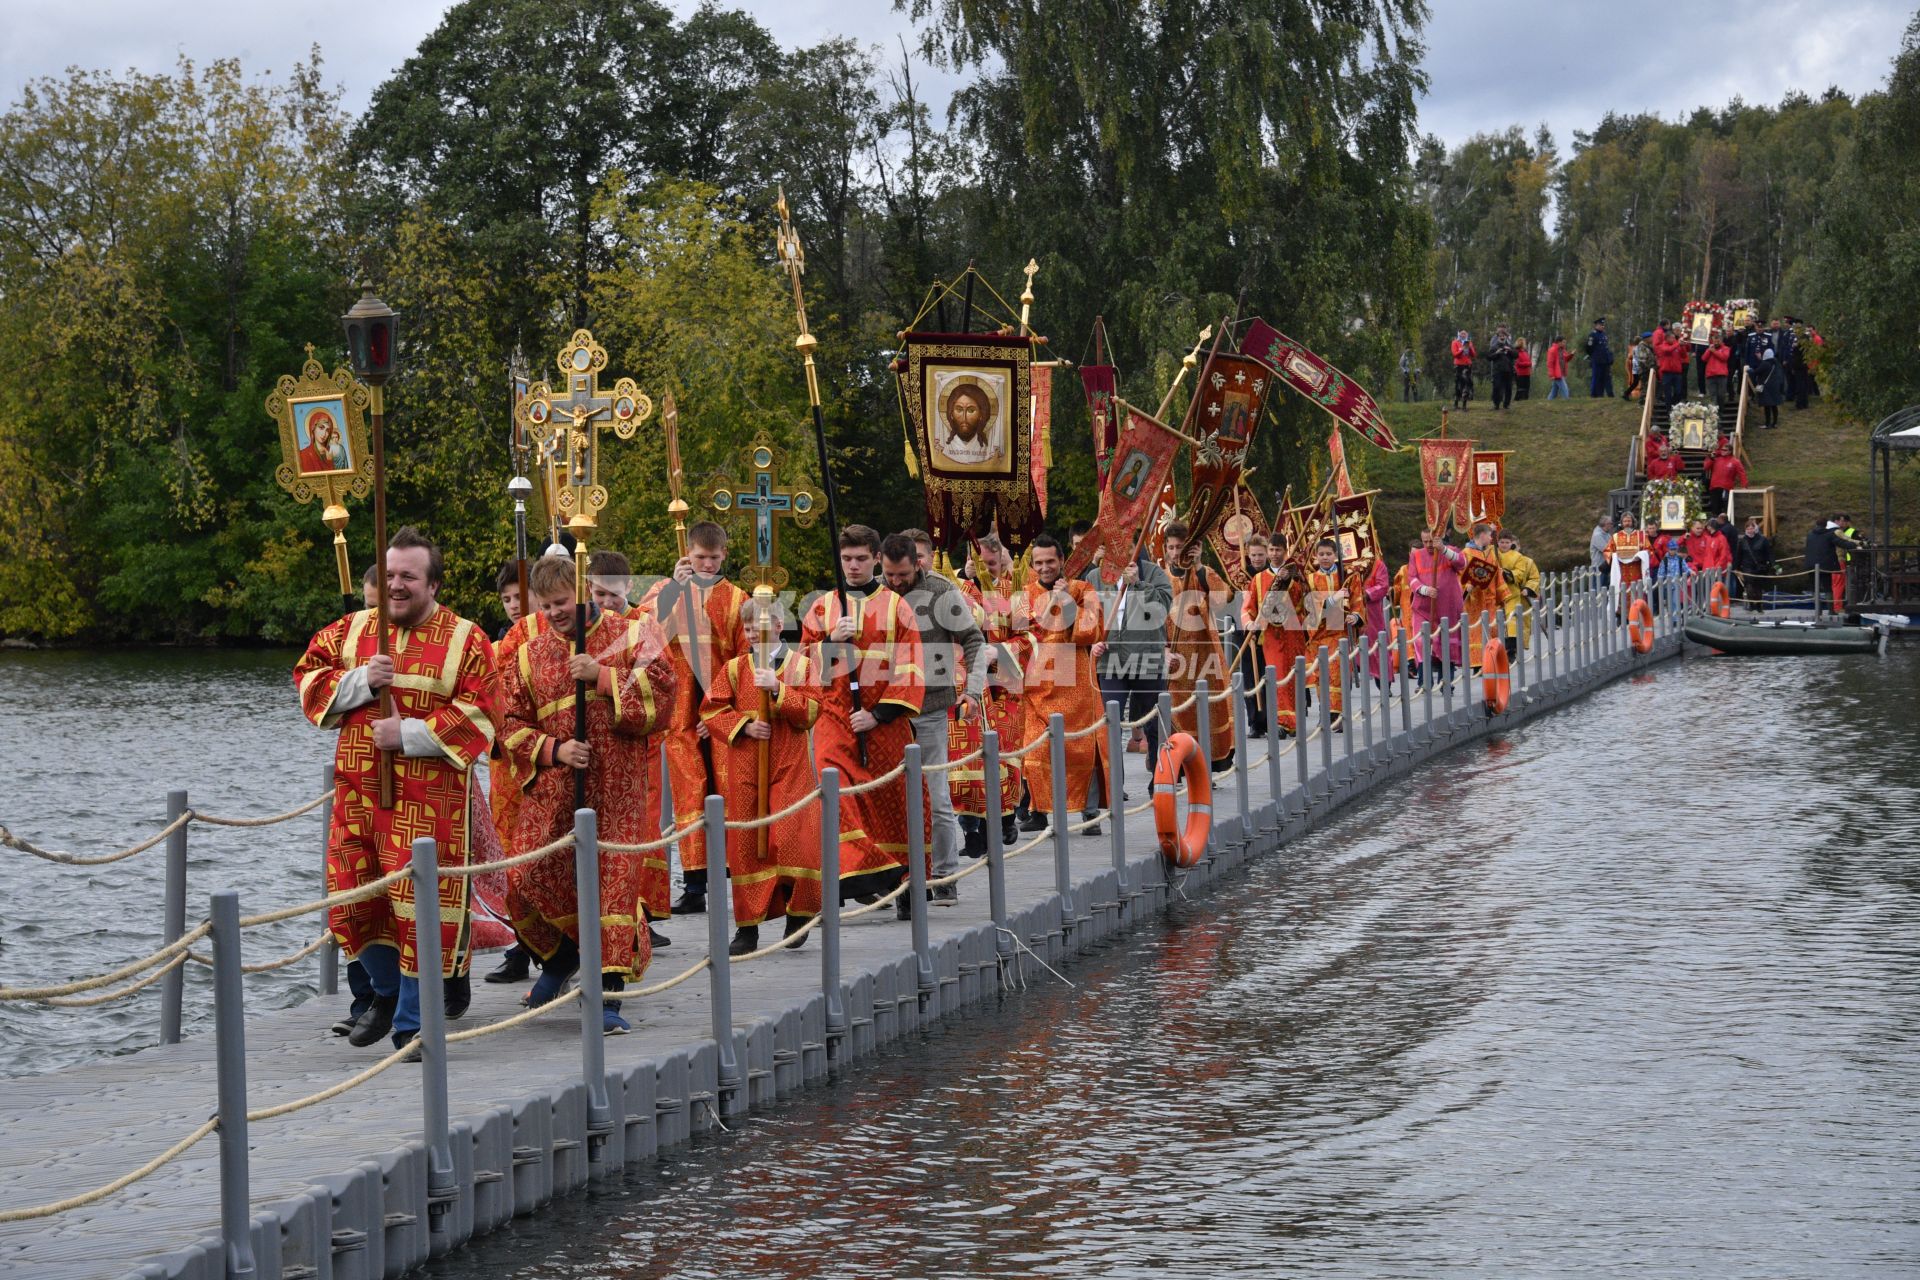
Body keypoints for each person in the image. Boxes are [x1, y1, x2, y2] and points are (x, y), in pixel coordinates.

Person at [294, 527, 497, 1051]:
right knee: (352, 906)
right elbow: (306, 677)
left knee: (418, 913)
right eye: (388, 576)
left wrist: (408, 734)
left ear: (433, 584)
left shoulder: (467, 639)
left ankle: (412, 1022)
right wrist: (361, 679)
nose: (396, 586)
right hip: (358, 796)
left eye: (408, 576)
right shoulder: (353, 629)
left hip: (428, 806)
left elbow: (484, 714)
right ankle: (384, 993)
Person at [497, 556, 674, 1032]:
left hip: (618, 789)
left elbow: (665, 699)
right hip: (555, 788)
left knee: (613, 888)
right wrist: (552, 749)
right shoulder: (528, 653)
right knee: (524, 875)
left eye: (561, 604)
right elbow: (509, 724)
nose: (553, 613)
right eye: (546, 605)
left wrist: (600, 675)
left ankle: (608, 999)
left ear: (582, 592)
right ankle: (563, 956)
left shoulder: (634, 633)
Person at [800, 525, 925, 901]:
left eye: (860, 559)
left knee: (890, 801)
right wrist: (829, 642)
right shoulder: (823, 607)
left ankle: (899, 884)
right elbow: (801, 665)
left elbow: (912, 664)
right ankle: (847, 878)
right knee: (835, 790)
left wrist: (879, 714)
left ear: (875, 558)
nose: (852, 566)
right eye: (846, 559)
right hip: (833, 719)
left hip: (882, 724)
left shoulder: (896, 606)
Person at [636, 521, 749, 917]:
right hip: (679, 711)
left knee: (726, 790)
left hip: (719, 708)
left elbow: (742, 659)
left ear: (724, 557)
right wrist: (673, 590)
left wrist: (722, 711)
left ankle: (734, 872)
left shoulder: (736, 598)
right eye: (699, 557)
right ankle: (695, 881)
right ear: (687, 554)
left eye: (713, 559)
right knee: (688, 794)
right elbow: (645, 636)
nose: (705, 564)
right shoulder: (665, 591)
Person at [700, 596, 823, 954]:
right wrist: (744, 726)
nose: (755, 634)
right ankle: (747, 928)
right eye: (749, 628)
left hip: (788, 763)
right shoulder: (736, 668)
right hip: (745, 766)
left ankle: (798, 914)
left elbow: (812, 710)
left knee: (792, 838)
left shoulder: (800, 666)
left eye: (762, 627)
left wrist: (778, 690)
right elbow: (711, 709)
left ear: (779, 626)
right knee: (746, 843)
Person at [880, 531, 985, 911]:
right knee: (883, 794)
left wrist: (972, 690)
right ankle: (887, 876)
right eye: (889, 574)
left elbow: (973, 639)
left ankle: (944, 875)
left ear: (918, 563)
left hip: (929, 707)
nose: (895, 582)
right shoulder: (873, 593)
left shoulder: (941, 591)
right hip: (884, 713)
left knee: (936, 795)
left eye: (902, 574)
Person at [1015, 533, 1107, 832]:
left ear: (1061, 561)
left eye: (1050, 561)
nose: (1045, 568)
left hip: (1077, 684)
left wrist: (1067, 599)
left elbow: (1091, 632)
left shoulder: (1082, 589)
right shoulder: (1022, 595)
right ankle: (1038, 811)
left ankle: (1090, 813)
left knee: (1082, 748)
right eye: (1039, 563)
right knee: (1036, 749)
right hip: (1036, 685)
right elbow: (1015, 638)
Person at [962, 534, 1025, 852]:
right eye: (979, 563)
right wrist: (965, 581)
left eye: (990, 564)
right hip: (970, 686)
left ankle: (1004, 817)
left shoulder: (1016, 591)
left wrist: (998, 651)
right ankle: (972, 829)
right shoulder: (961, 588)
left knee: (1003, 756)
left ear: (1001, 560)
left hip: (1006, 688)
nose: (985, 569)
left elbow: (1029, 639)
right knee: (967, 758)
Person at [1161, 522, 1235, 767]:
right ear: (1165, 550)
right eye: (1171, 547)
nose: (1175, 552)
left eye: (1180, 547)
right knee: (1176, 711)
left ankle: (1207, 765)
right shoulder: (1160, 579)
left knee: (1207, 710)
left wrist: (1200, 566)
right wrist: (1163, 649)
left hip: (1204, 656)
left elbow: (1222, 599)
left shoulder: (1203, 573)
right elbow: (1150, 618)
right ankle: (1180, 765)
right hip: (1174, 659)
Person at [1092, 539, 1173, 761]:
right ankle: (1114, 785)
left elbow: (1161, 609)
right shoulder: (1095, 576)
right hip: (1110, 662)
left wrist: (1138, 584)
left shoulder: (1153, 573)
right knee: (1109, 722)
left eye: (1125, 544)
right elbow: (1087, 617)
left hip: (1146, 659)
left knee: (1155, 722)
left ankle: (1160, 777)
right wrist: (1093, 641)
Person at [1243, 533, 1306, 732]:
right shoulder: (1258, 579)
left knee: (1293, 677)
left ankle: (1294, 721)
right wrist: (1249, 624)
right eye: (1271, 549)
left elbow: (1305, 602)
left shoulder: (1296, 574)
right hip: (1271, 635)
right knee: (1277, 675)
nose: (1274, 553)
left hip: (1292, 634)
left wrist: (1291, 582)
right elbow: (1249, 607)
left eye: (1278, 550)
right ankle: (1281, 722)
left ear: (1285, 551)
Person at [1296, 538, 1359, 727]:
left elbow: (1357, 599)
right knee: (1321, 675)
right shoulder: (1310, 579)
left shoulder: (1347, 576)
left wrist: (1355, 616)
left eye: (1329, 554)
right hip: (1319, 634)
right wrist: (1334, 598)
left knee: (1337, 673)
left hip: (1339, 631)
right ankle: (1326, 712)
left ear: (1336, 555)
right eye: (1321, 554)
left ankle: (1337, 715)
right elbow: (1310, 606)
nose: (1325, 558)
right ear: (1316, 556)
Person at [1407, 528, 1466, 672]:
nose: (1428, 545)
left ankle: (1447, 683)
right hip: (1424, 607)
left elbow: (1462, 563)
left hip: (1448, 607)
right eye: (1424, 541)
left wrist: (1443, 550)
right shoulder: (1417, 555)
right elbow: (1411, 578)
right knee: (1421, 641)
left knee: (1446, 644)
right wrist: (1424, 589)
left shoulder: (1451, 550)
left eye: (1431, 541)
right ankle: (1423, 681)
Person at [1236, 534, 1273, 736]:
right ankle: (1254, 722)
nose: (1257, 559)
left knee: (1270, 674)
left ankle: (1271, 718)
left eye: (1260, 554)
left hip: (1269, 631)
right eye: (1253, 555)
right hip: (1248, 630)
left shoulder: (1271, 573)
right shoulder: (1242, 573)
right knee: (1250, 676)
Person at [1459, 523, 1509, 668]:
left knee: (1493, 629)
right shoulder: (1466, 553)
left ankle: (1493, 660)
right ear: (1482, 535)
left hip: (1490, 598)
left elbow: (1497, 573)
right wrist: (1465, 586)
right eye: (1489, 535)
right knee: (1475, 631)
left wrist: (1502, 594)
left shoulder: (1491, 552)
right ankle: (1476, 664)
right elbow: (1459, 574)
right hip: (1474, 600)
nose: (1491, 539)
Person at [1496, 531, 1540, 652]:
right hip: (1503, 595)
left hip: (1522, 598)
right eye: (1502, 542)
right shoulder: (1495, 555)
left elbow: (1535, 578)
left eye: (1509, 543)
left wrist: (1528, 589)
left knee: (1519, 624)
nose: (1506, 545)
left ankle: (1515, 648)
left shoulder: (1527, 561)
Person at [1605, 511, 1651, 597]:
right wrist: (1613, 556)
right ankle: (1622, 610)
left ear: (1633, 522)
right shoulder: (1615, 536)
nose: (1627, 523)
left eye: (1629, 521)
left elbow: (1649, 550)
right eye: (1625, 521)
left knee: (1637, 592)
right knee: (1622, 592)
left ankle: (1637, 610)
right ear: (1621, 523)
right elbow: (1607, 552)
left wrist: (1643, 554)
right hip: (1621, 571)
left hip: (1637, 570)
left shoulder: (1641, 535)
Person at [1734, 518, 1773, 610]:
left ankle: (1759, 605)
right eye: (1748, 529)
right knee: (1749, 587)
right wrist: (1736, 567)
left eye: (1751, 528)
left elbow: (1768, 553)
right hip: (1747, 567)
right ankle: (1752, 604)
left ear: (1755, 529)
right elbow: (1738, 555)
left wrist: (1772, 564)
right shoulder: (1742, 541)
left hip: (1760, 567)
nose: (1750, 531)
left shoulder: (1763, 540)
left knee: (1758, 587)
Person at [1703, 438, 1747, 517]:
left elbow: (1742, 473)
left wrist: (1744, 486)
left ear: (1730, 451)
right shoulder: (1716, 459)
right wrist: (1711, 458)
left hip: (1726, 488)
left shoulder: (1735, 461)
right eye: (1722, 449)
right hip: (1714, 487)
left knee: (1725, 507)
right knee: (1715, 509)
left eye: (1725, 450)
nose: (1722, 451)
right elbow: (1706, 467)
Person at [1651, 322, 1688, 408]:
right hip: (1667, 373)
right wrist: (1678, 344)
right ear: (1666, 339)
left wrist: (1682, 346)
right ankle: (1668, 409)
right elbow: (1668, 350)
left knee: (1678, 391)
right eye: (1672, 338)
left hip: (1677, 372)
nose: (1674, 339)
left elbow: (1684, 355)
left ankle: (1675, 406)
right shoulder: (1663, 346)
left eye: (1674, 338)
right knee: (1667, 392)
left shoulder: (1677, 345)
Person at [1753, 344, 1787, 429]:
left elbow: (1756, 372)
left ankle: (1767, 424)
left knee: (1767, 406)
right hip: (1775, 387)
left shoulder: (1765, 364)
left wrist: (1749, 370)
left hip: (1766, 387)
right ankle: (1775, 423)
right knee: (1774, 406)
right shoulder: (1776, 363)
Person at [1485, 327, 1516, 411]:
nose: (1502, 337)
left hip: (1508, 370)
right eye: (1500, 336)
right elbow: (1488, 357)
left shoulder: (1510, 346)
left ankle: (1506, 405)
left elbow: (1516, 355)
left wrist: (1510, 351)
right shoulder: (1494, 347)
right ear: (1498, 337)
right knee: (1497, 387)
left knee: (1508, 388)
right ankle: (1496, 405)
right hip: (1497, 371)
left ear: (1506, 337)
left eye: (1504, 336)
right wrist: (1496, 353)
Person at [1584, 319, 1613, 398]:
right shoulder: (1593, 335)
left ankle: (1601, 394)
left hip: (1605, 360)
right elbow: (1589, 348)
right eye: (1601, 325)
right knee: (1596, 377)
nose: (1602, 326)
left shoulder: (1604, 335)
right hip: (1597, 360)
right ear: (1596, 325)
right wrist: (1593, 356)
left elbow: (1605, 347)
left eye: (1603, 325)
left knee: (1605, 378)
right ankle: (1594, 394)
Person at [1704, 331, 1734, 405]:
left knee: (1721, 395)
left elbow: (1724, 358)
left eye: (1718, 340)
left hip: (1721, 375)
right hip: (1710, 375)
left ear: (1721, 340)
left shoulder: (1726, 348)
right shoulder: (1710, 348)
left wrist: (1714, 351)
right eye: (1714, 340)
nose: (1716, 342)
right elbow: (1703, 358)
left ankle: (1720, 411)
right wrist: (1709, 350)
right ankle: (1714, 413)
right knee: (1712, 395)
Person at [1451, 329, 1477, 409]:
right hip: (1458, 366)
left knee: (1467, 384)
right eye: (1462, 334)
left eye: (1465, 334)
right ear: (1459, 334)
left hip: (1467, 366)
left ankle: (1464, 405)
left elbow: (1473, 355)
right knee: (1458, 384)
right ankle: (1456, 404)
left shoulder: (1469, 342)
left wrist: (1470, 348)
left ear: (1467, 335)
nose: (1463, 335)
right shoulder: (1455, 342)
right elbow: (1455, 354)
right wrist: (1462, 349)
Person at [1589, 513, 1613, 586]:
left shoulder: (1606, 534)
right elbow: (1607, 549)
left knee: (1605, 590)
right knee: (1598, 591)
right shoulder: (1598, 535)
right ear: (1606, 524)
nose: (1612, 525)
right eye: (1610, 523)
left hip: (1605, 566)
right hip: (1598, 567)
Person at [1545, 335, 1571, 400]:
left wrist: (1571, 355)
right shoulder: (1552, 350)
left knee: (1554, 392)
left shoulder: (1563, 350)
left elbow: (1566, 359)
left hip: (1561, 373)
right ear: (1559, 342)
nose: (1565, 344)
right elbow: (1550, 364)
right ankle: (1567, 401)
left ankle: (1549, 401)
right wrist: (1551, 375)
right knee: (1565, 388)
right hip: (1557, 374)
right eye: (1564, 342)